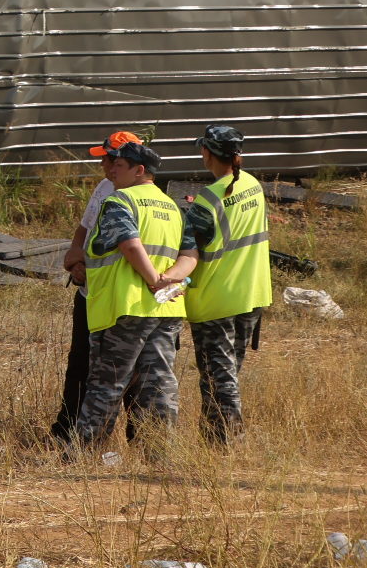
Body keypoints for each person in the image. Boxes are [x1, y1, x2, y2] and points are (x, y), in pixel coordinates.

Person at [53, 136, 187, 450]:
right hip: (164, 309)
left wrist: (154, 278)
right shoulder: (172, 205)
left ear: (138, 169)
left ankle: (86, 455)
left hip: (124, 306)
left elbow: (128, 244)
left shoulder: (120, 200)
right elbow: (189, 254)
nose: (110, 169)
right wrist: (169, 280)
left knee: (106, 384)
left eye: (118, 163)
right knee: (159, 386)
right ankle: (159, 454)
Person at [172, 124, 272, 441]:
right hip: (252, 294)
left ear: (206, 153)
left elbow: (190, 254)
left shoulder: (207, 201)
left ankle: (224, 442)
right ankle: (218, 438)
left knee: (218, 378)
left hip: (217, 301)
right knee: (229, 373)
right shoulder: (254, 186)